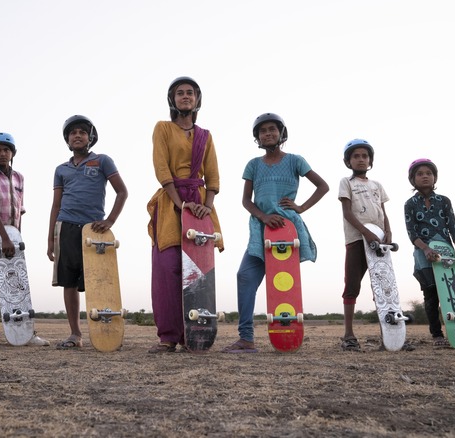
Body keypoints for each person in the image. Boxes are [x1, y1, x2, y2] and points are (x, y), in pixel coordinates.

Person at [221, 113, 328, 353]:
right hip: (261, 228)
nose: (268, 133)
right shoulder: (253, 165)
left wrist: (301, 208)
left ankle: (288, 333)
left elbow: (323, 186)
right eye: (263, 131)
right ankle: (246, 338)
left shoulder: (295, 160)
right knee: (245, 276)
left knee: (284, 284)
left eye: (272, 129)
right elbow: (246, 201)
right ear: (257, 137)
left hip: (287, 231)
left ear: (281, 133)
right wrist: (264, 216)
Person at [146, 76, 223, 353]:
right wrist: (180, 204)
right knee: (168, 268)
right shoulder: (163, 128)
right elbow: (161, 168)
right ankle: (167, 337)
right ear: (173, 100)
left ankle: (195, 336)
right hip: (171, 202)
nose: (186, 97)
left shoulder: (206, 135)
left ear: (198, 100)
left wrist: (207, 206)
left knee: (199, 271)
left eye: (190, 93)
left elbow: (212, 175)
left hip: (199, 206)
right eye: (180, 93)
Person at [47, 115, 128, 350]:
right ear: (67, 139)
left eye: (82, 132)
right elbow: (55, 205)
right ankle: (75, 334)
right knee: (69, 282)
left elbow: (122, 192)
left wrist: (110, 220)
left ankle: (105, 332)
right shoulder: (61, 169)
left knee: (99, 280)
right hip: (65, 227)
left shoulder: (102, 161)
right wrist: (51, 238)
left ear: (90, 137)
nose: (78, 135)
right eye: (73, 133)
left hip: (94, 230)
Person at [0, 132, 49, 346]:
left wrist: (16, 238)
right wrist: (5, 238)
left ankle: (25, 330)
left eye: (6, 150)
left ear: (12, 153)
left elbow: (19, 210)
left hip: (13, 238)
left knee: (18, 285)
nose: (2, 153)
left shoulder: (19, 178)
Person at [404, 158, 455, 347]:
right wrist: (426, 249)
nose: (425, 176)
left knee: (452, 292)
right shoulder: (410, 203)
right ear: (412, 179)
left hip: (446, 253)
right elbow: (411, 232)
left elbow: (453, 226)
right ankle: (437, 334)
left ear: (435, 177)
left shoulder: (444, 201)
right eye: (420, 174)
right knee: (431, 294)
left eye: (429, 173)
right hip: (423, 253)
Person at [336, 139, 391, 351]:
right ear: (348, 161)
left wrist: (389, 232)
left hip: (380, 242)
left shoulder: (377, 185)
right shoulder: (346, 182)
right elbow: (347, 213)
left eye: (365, 156)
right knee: (352, 286)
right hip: (357, 240)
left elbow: (384, 213)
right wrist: (366, 233)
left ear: (370, 160)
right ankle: (348, 335)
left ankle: (389, 334)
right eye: (356, 156)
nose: (361, 159)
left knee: (383, 288)